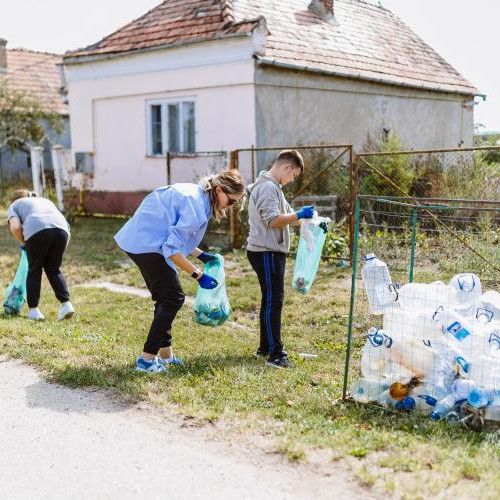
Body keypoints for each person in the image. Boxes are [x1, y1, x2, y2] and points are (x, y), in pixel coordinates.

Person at [115, 169, 246, 373]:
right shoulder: (195, 204)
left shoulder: (198, 195)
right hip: (146, 243)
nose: (231, 206)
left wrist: (200, 255)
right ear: (219, 190)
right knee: (173, 298)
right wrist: (198, 275)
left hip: (145, 238)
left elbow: (175, 232)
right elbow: (172, 249)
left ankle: (166, 357)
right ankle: (146, 360)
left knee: (166, 298)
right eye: (231, 201)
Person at [246, 150, 314, 368]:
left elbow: (286, 214)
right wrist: (299, 215)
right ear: (287, 167)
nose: (292, 180)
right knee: (274, 301)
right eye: (294, 175)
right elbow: (274, 220)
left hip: (269, 251)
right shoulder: (267, 187)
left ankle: (265, 348)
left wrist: (304, 220)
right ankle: (276, 354)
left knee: (270, 300)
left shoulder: (273, 186)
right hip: (265, 251)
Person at [6, 189, 74, 321]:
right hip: (62, 232)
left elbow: (15, 227)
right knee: (54, 269)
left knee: (34, 269)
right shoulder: (45, 201)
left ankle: (33, 311)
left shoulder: (14, 205)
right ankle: (66, 305)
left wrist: (23, 242)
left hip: (37, 230)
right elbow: (66, 226)